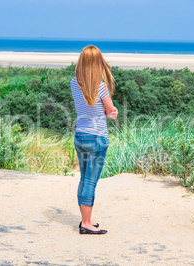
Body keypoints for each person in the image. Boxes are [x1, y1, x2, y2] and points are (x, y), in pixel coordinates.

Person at [70, 45, 118, 235]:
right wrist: (112, 114)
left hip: (80, 136)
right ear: (97, 63)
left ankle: (85, 220)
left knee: (84, 179)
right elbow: (110, 110)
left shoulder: (74, 82)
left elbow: (89, 110)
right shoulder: (100, 86)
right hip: (97, 138)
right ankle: (86, 224)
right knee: (91, 182)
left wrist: (104, 114)